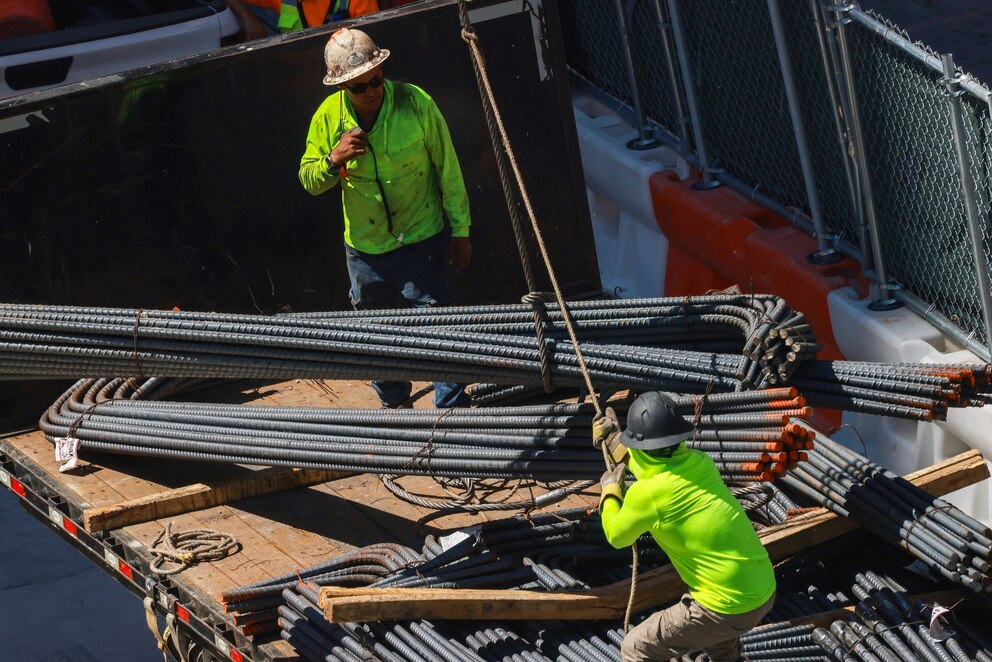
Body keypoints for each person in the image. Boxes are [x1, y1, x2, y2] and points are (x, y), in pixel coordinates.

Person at [299, 28, 472, 409]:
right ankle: (394, 411)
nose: (371, 91)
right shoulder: (327, 118)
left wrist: (460, 229)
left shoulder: (415, 103)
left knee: (439, 330)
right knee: (378, 338)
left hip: (422, 239)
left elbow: (448, 169)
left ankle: (453, 415)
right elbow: (309, 180)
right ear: (343, 86)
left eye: (376, 80)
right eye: (359, 87)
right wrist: (333, 159)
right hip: (366, 251)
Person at [594, 392, 776, 662]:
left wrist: (610, 492)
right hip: (762, 590)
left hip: (725, 606)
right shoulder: (701, 462)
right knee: (720, 642)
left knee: (635, 648)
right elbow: (657, 467)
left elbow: (616, 535)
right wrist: (617, 443)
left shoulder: (647, 495)